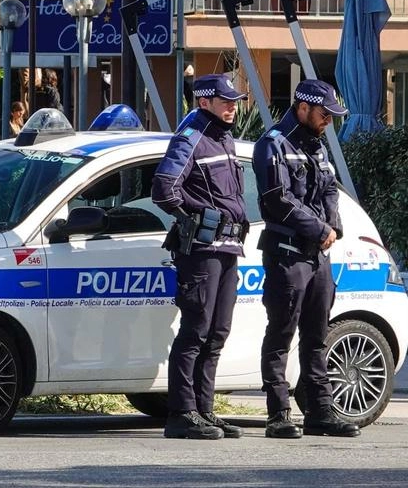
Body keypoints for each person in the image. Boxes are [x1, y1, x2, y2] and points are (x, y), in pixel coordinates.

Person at [252, 78, 360, 439]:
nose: (329, 119)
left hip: (317, 257)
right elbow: (278, 200)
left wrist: (332, 227)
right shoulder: (273, 145)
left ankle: (320, 412)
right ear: (303, 108)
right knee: (281, 334)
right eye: (324, 113)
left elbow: (330, 188)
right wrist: (318, 229)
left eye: (332, 114)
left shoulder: (317, 147)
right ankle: (278, 413)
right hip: (287, 256)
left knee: (317, 338)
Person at [151, 74, 250, 440]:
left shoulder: (223, 139)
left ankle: (204, 410)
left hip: (228, 248)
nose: (232, 107)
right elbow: (163, 189)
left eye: (234, 101)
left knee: (217, 332)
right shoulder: (191, 137)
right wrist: (201, 214)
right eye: (225, 101)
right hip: (202, 249)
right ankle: (182, 413)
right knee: (196, 331)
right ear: (203, 102)